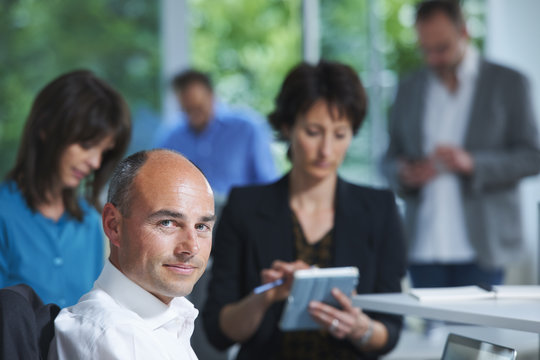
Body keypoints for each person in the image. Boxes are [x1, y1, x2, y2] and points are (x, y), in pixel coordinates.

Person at [203, 60, 406, 360]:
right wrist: (265, 297)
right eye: (313, 131)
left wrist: (360, 327)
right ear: (288, 127)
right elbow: (218, 332)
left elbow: (389, 331)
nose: (326, 150)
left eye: (340, 134)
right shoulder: (244, 207)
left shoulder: (380, 209)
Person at [381, 0, 540, 288]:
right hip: (423, 244)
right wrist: (404, 172)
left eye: (442, 48)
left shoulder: (509, 83)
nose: (433, 59)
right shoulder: (409, 87)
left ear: (464, 32)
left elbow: (533, 156)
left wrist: (472, 163)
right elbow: (388, 158)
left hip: (483, 246)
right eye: (425, 49)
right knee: (431, 333)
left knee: (477, 333)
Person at [49, 149, 216, 359]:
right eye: (167, 223)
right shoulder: (117, 337)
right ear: (114, 226)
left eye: (201, 227)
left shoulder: (171, 317)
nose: (192, 248)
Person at [0, 70, 131, 307]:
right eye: (86, 145)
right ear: (46, 129)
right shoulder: (4, 215)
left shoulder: (91, 222)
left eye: (104, 151)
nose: (95, 162)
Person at [157, 69, 277, 202]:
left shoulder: (247, 129)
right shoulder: (171, 137)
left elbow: (268, 185)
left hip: (240, 217)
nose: (193, 117)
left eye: (198, 108)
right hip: (189, 218)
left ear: (212, 96)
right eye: (187, 111)